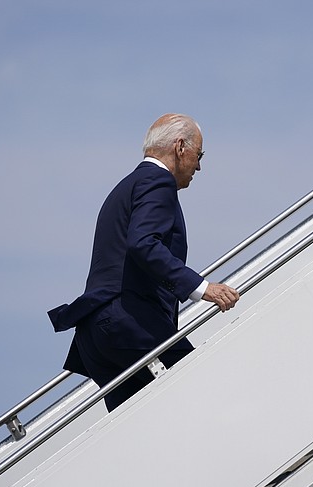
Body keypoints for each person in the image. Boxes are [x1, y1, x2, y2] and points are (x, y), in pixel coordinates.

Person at [48, 113, 239, 411]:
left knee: (142, 431)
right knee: (202, 391)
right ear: (180, 147)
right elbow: (144, 243)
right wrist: (202, 288)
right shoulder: (158, 181)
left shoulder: (127, 186)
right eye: (199, 155)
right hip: (128, 323)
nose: (199, 166)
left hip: (94, 335)